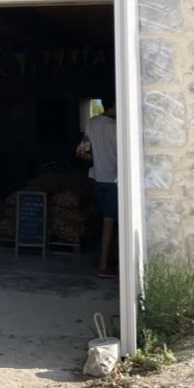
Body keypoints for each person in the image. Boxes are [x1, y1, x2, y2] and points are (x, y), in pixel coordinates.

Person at [81, 95, 118, 278]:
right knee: (109, 223)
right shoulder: (117, 128)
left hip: (97, 179)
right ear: (116, 104)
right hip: (113, 180)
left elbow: (86, 148)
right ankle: (104, 265)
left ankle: (111, 259)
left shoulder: (92, 123)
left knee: (106, 220)